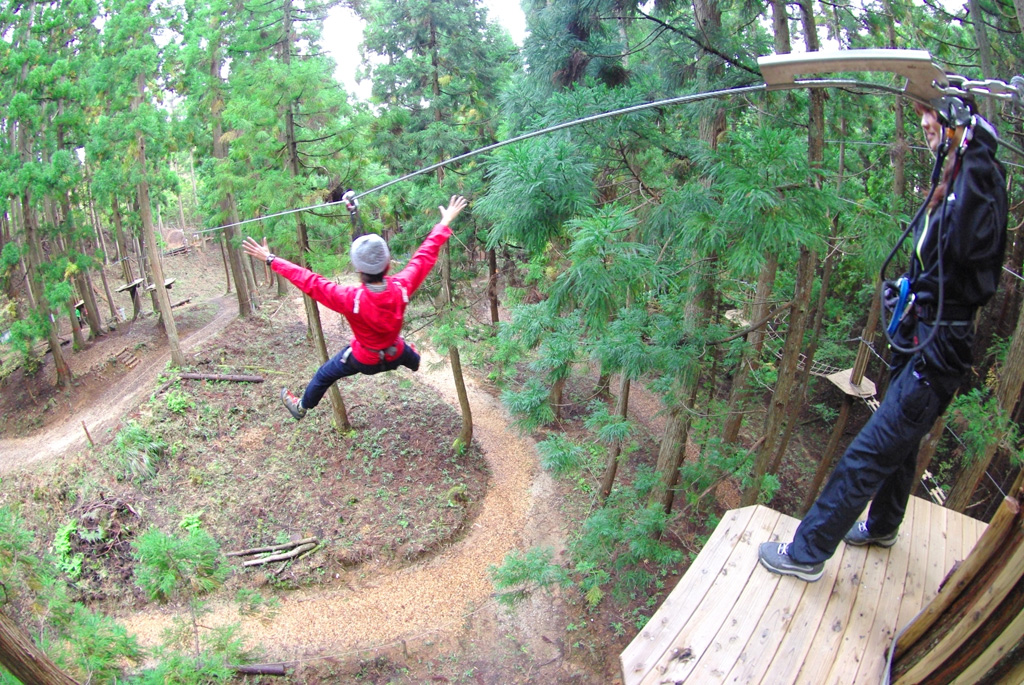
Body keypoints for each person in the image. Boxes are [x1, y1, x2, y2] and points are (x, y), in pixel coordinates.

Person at [758, 97, 1008, 582]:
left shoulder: (978, 184)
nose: (925, 124)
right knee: (902, 439)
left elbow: (964, 249)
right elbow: (942, 261)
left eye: (933, 116)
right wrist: (908, 292)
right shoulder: (954, 184)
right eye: (923, 116)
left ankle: (806, 552)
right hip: (922, 334)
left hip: (937, 350)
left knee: (870, 450)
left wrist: (976, 144)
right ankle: (883, 525)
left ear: (960, 125)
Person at [242, 195, 469, 420]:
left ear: (358, 270)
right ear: (388, 265)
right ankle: (414, 360)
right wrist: (444, 222)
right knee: (411, 357)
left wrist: (271, 259)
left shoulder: (350, 299)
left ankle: (301, 407)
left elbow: (309, 281)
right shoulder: (403, 286)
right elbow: (424, 256)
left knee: (324, 375)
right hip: (395, 354)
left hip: (365, 360)